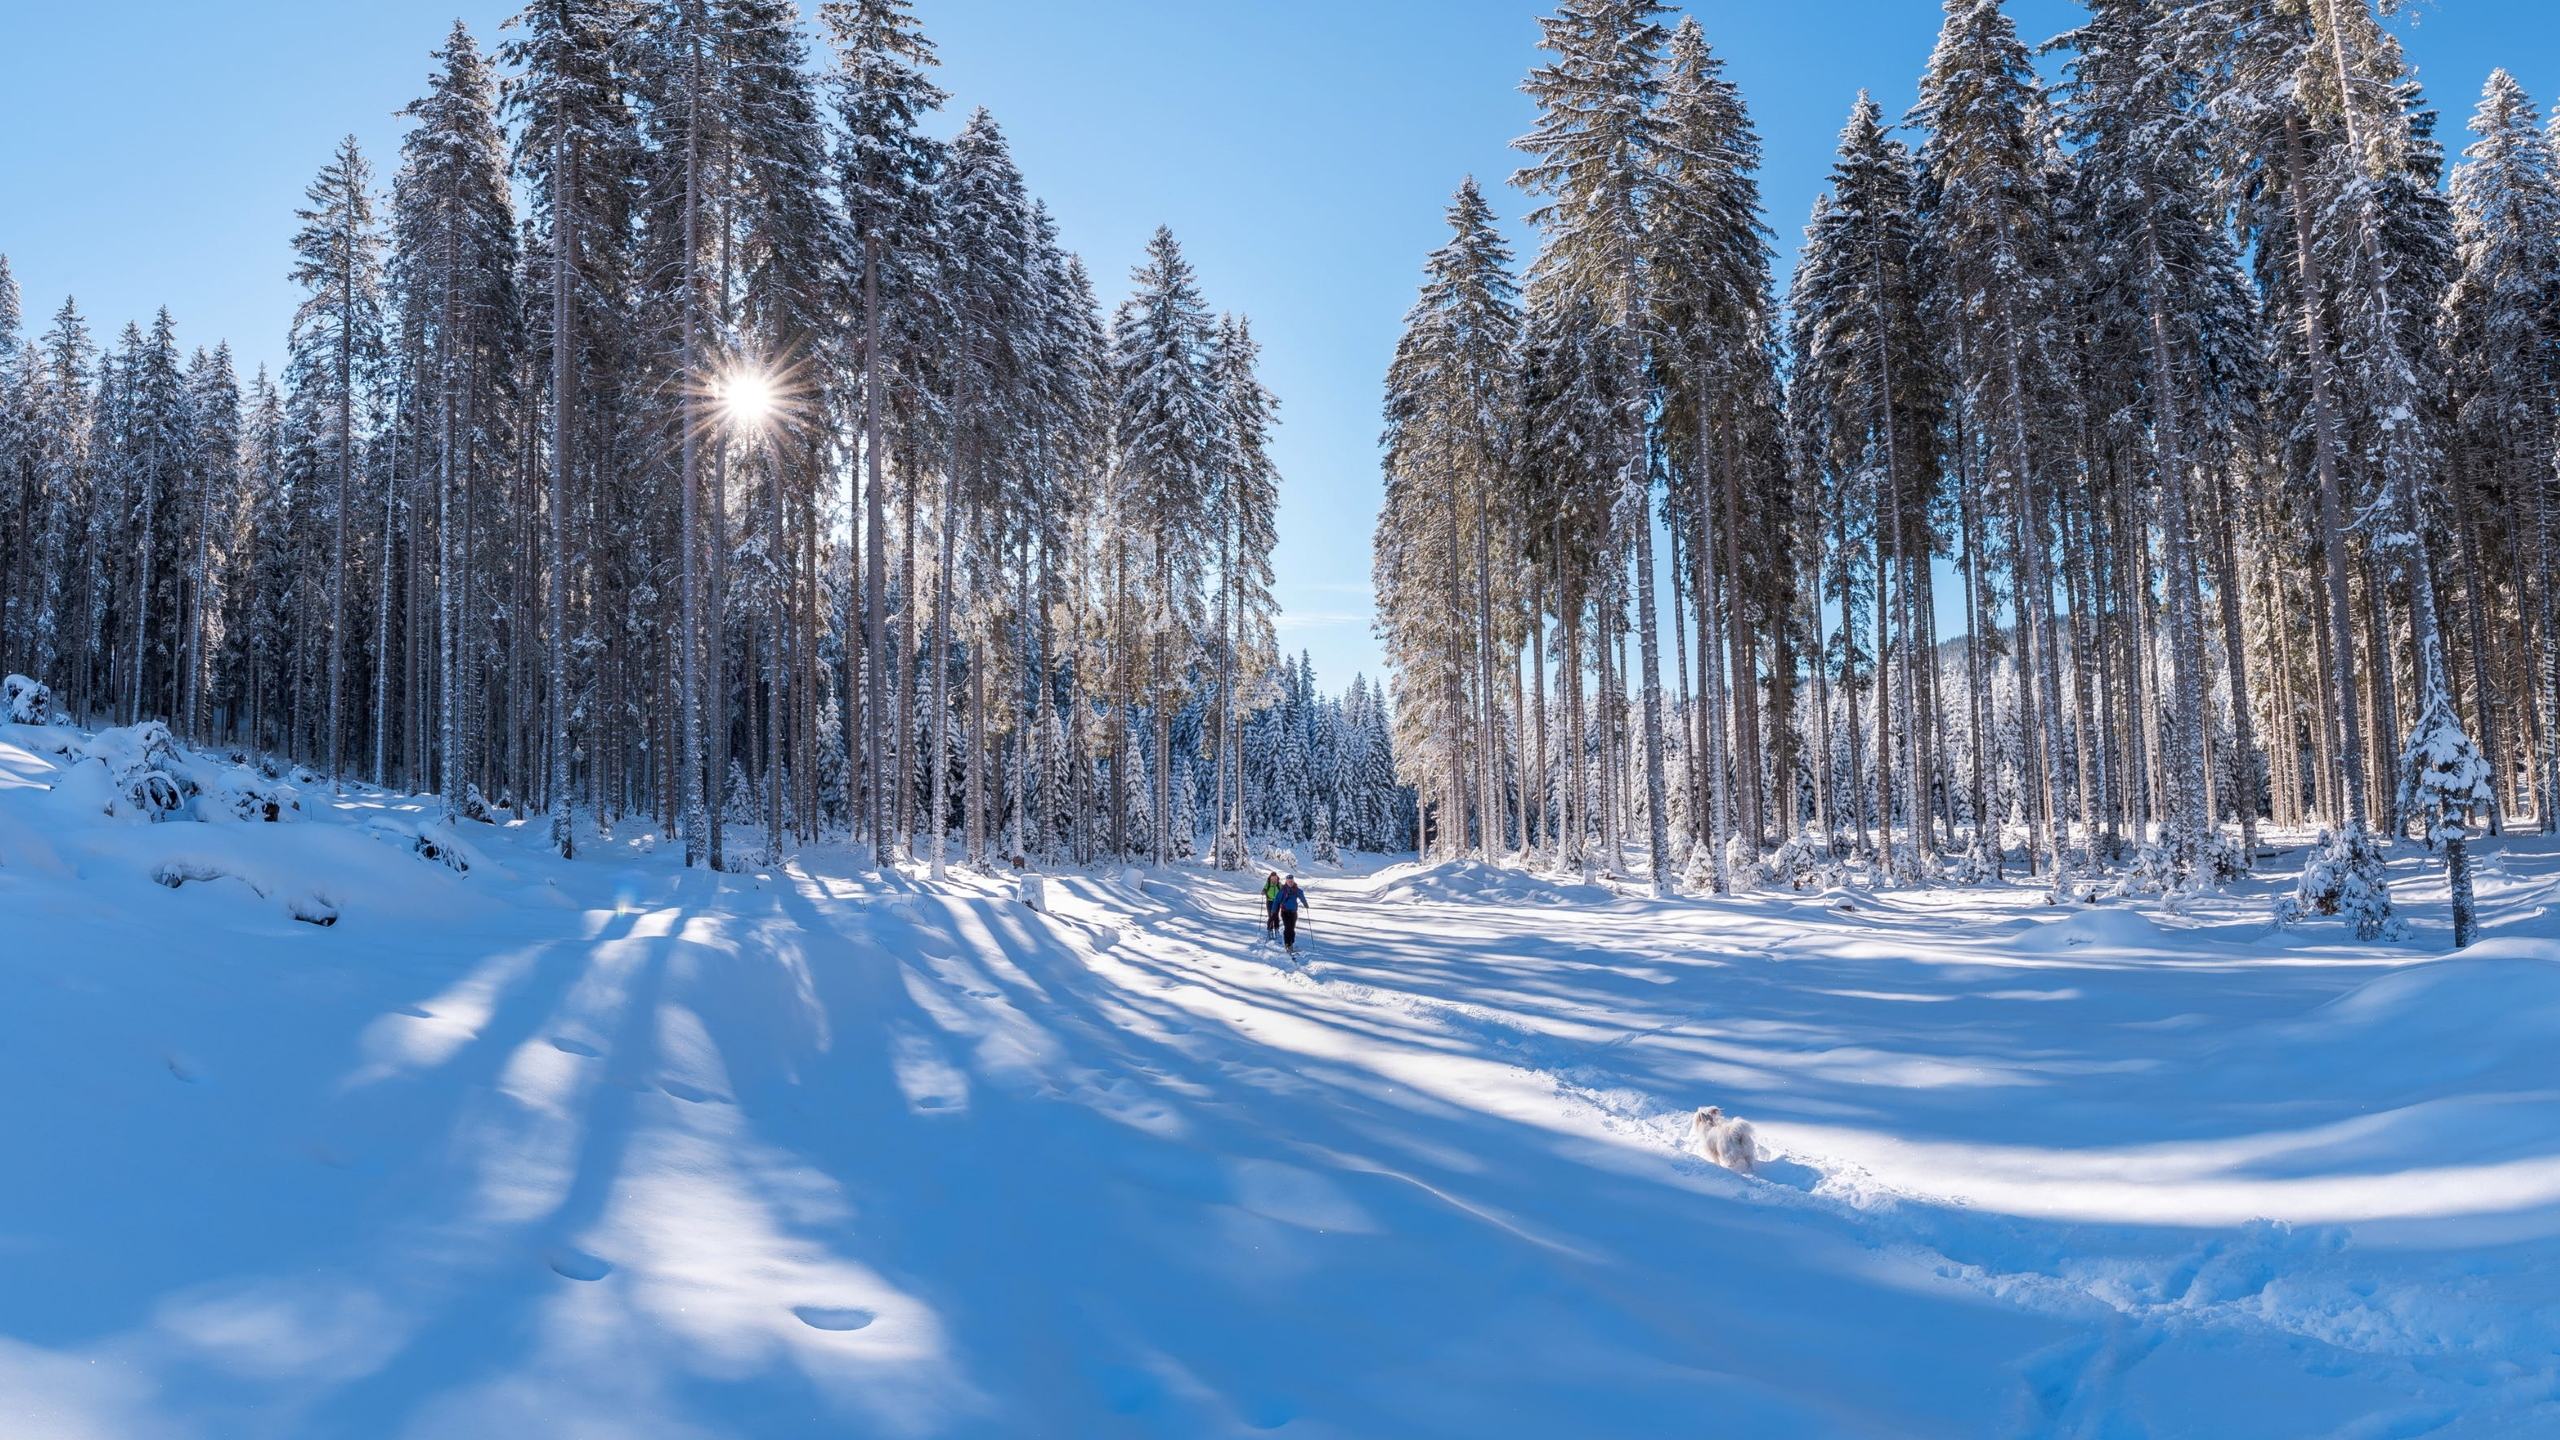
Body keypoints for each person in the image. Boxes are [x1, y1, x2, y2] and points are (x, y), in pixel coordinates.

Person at [1277, 874, 1307, 952]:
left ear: (1293, 881)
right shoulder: (1282, 890)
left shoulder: (1296, 890)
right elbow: (1276, 900)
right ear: (1286, 881)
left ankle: (1291, 942)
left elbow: (1301, 895)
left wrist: (1305, 903)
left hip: (1293, 912)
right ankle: (1287, 944)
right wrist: (1274, 910)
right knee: (1287, 928)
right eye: (1289, 881)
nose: (1290, 883)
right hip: (1285, 912)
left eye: (1291, 881)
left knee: (1292, 928)